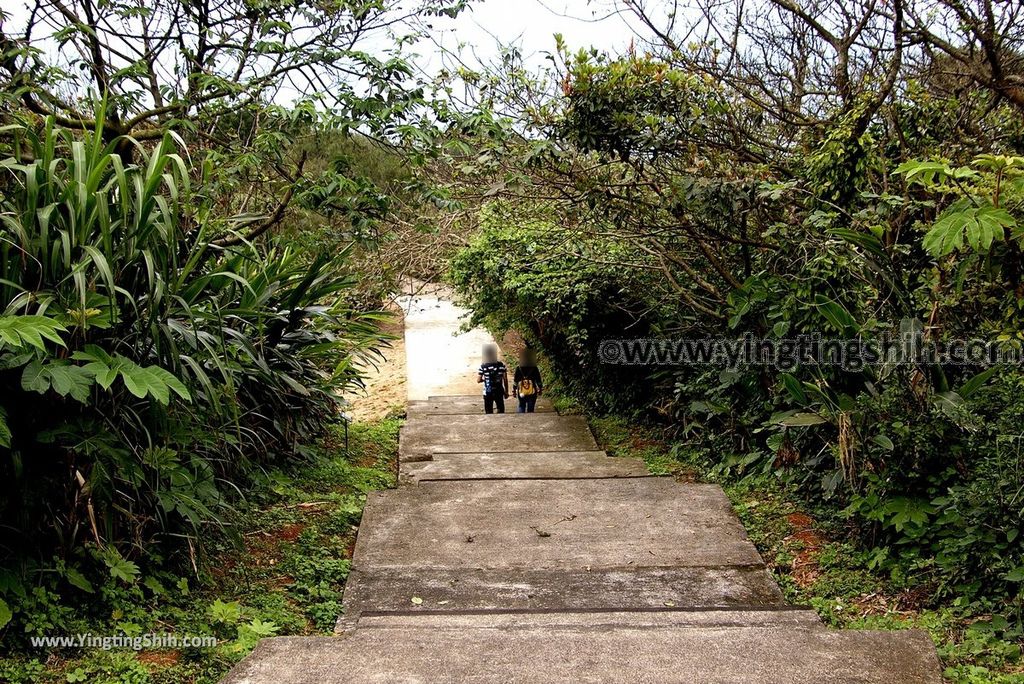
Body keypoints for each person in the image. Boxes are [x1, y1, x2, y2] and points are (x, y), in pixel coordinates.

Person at [477, 344, 508, 414]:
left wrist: (485, 379)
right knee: (500, 409)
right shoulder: (501, 365)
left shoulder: (483, 366)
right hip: (499, 390)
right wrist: (506, 392)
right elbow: (505, 379)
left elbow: (478, 380)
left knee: (488, 411)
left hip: (488, 391)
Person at [513, 349, 543, 413]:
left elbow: (515, 380)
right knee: (531, 407)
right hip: (532, 390)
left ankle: (521, 420)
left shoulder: (519, 368)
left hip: (521, 390)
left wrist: (514, 390)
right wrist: (540, 388)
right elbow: (538, 379)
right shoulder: (534, 367)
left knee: (521, 405)